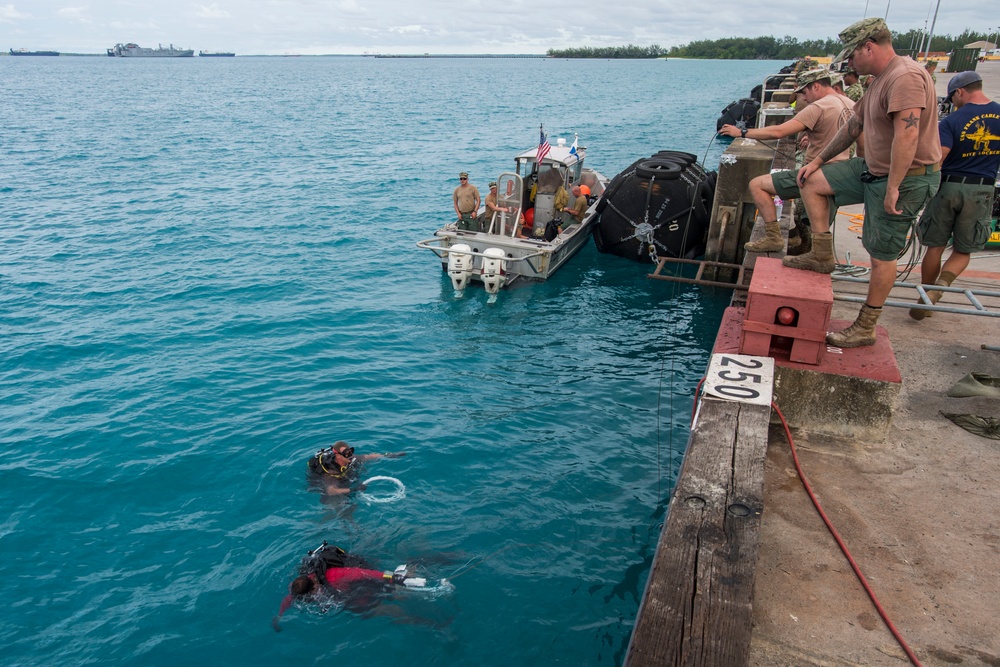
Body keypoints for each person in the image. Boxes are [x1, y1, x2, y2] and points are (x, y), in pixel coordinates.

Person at [790, 17, 941, 348]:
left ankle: (865, 325)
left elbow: (909, 133)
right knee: (811, 181)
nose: (849, 64)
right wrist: (816, 160)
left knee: (880, 254)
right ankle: (821, 254)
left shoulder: (905, 77)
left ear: (869, 47)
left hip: (904, 178)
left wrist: (893, 187)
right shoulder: (880, 79)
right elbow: (854, 125)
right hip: (871, 168)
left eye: (852, 56)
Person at [719, 68, 856, 253]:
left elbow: (778, 131)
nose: (804, 98)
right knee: (812, 218)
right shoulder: (851, 104)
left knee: (757, 185)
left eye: (805, 92)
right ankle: (812, 249)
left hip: (816, 174)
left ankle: (775, 238)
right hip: (840, 173)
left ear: (816, 86)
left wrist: (741, 132)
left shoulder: (819, 107)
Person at [910, 71, 1000, 320]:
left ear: (960, 92)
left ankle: (927, 295)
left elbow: (939, 157)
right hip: (982, 188)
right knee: (963, 250)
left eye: (953, 97)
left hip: (948, 186)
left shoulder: (951, 121)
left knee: (935, 247)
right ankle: (941, 288)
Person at [272, 542, 409, 631]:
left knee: (394, 604)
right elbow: (288, 599)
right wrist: (279, 616)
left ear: (313, 588)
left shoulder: (335, 575)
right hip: (350, 595)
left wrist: (391, 577)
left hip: (362, 584)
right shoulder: (300, 585)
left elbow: (364, 573)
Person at [307, 441, 405, 498]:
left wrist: (387, 455)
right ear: (338, 456)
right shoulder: (330, 473)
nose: (350, 455)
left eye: (350, 451)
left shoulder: (350, 458)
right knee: (341, 506)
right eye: (346, 453)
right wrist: (354, 489)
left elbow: (368, 457)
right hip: (330, 488)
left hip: (346, 479)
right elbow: (331, 491)